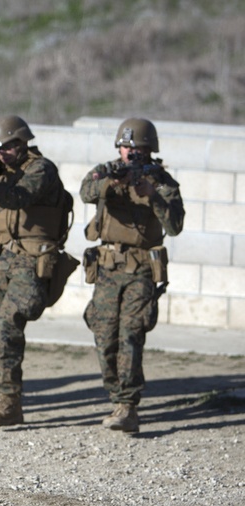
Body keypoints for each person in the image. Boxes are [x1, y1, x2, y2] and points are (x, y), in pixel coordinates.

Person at [0, 115, 71, 426]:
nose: (3, 154)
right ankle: (7, 402)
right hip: (1, 260)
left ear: (22, 141)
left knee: (7, 325)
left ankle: (9, 402)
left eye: (7, 147)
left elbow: (18, 198)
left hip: (32, 262)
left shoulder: (40, 169)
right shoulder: (2, 171)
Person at [80, 118, 184, 433]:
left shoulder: (160, 179)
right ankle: (116, 396)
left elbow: (175, 226)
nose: (129, 153)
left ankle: (128, 405)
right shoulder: (107, 170)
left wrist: (151, 195)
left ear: (148, 150)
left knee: (130, 333)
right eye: (125, 147)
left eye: (135, 148)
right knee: (103, 333)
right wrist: (112, 184)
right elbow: (86, 191)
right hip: (107, 266)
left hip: (140, 268)